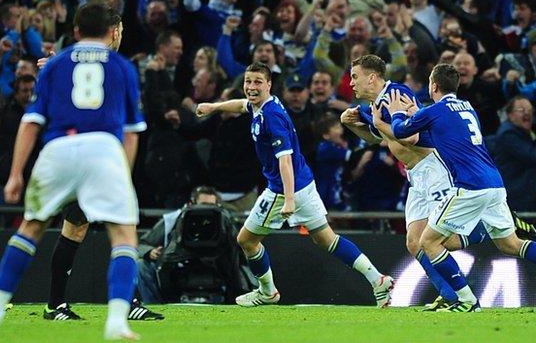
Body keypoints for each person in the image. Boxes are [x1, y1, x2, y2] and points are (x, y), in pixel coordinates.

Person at [0, 4, 144, 340]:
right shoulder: (123, 67)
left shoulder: (56, 64)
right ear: (112, 32)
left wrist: (16, 173)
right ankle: (118, 321)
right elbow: (133, 131)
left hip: (58, 150)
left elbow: (31, 122)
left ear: (76, 31)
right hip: (104, 150)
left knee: (31, 227)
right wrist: (122, 171)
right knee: (124, 236)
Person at [341, 54, 534, 310]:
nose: (351, 83)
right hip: (416, 177)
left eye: (355, 76)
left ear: (372, 77)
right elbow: (380, 139)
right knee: (414, 241)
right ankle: (450, 294)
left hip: (434, 169)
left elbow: (411, 136)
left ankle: (474, 255)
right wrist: (355, 124)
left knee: (436, 240)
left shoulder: (396, 95)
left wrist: (378, 121)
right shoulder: (375, 106)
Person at [196, 61, 395, 308]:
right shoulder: (262, 105)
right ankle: (378, 280)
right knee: (327, 239)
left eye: (258, 82)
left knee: (246, 240)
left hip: (283, 188)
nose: (251, 87)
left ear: (269, 84)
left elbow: (285, 160)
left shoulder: (272, 116)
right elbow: (240, 105)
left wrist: (288, 198)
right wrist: (213, 107)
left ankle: (267, 292)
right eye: (248, 81)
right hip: (304, 182)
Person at [34, 12, 161, 324]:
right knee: (105, 229)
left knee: (89, 229)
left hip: (88, 159)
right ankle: (58, 305)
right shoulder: (113, 66)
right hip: (95, 160)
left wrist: (54, 67)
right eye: (119, 29)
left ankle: (66, 304)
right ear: (114, 30)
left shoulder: (89, 63)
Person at [137, 185, 221, 303]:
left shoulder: (223, 220)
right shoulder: (172, 219)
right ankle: (154, 305)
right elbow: (141, 244)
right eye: (203, 204)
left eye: (211, 206)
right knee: (141, 265)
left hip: (214, 267)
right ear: (191, 203)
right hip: (176, 268)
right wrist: (150, 251)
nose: (206, 209)